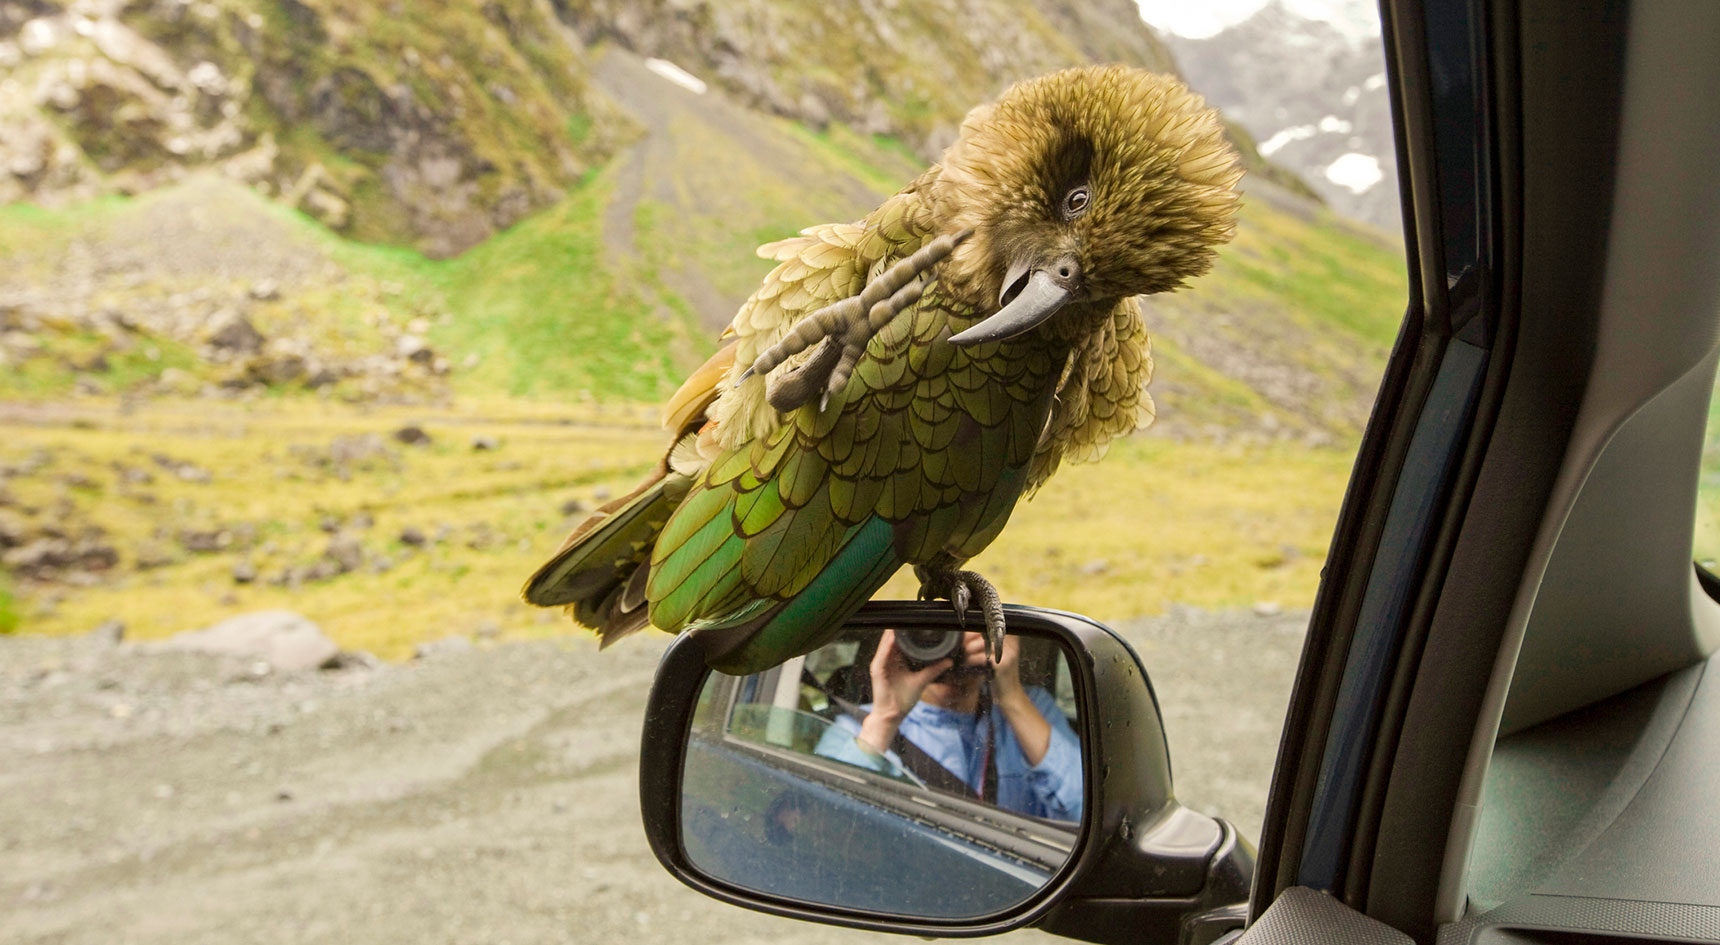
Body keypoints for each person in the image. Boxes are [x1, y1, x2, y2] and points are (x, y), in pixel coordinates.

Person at [814, 628, 1083, 821]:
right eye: (935, 634)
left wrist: (1011, 696)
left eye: (970, 628)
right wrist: (886, 718)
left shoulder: (1030, 706)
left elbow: (1087, 810)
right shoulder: (858, 726)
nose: (954, 646)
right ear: (904, 646)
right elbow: (825, 821)